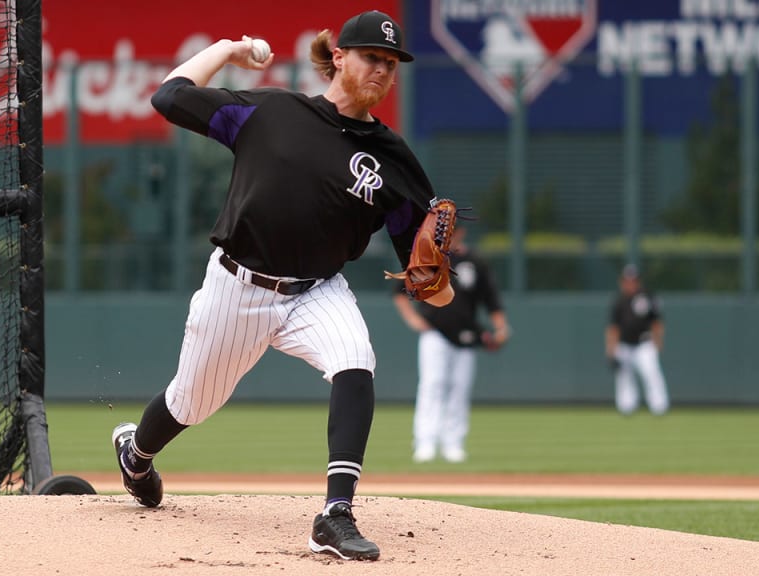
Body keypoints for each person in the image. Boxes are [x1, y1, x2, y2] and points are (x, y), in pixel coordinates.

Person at [110, 10, 453, 562]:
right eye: (372, 57)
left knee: (355, 360)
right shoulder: (272, 111)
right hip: (236, 286)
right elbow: (169, 97)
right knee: (190, 402)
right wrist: (225, 47)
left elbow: (430, 284)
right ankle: (137, 453)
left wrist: (438, 284)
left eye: (391, 64)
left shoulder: (394, 162)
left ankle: (335, 515)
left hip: (317, 290)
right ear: (339, 57)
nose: (382, 71)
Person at [393, 226, 509, 463]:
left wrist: (501, 328)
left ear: (462, 232)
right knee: (432, 385)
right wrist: (413, 319)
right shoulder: (427, 257)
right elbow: (400, 290)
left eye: (454, 230)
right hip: (435, 332)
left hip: (466, 335)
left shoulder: (474, 261)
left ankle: (453, 443)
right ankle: (425, 442)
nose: (450, 234)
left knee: (459, 388)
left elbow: (491, 300)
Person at [605, 264, 669, 416]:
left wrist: (658, 342)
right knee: (624, 377)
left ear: (638, 281)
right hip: (624, 345)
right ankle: (626, 406)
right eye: (627, 280)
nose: (630, 283)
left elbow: (656, 321)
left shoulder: (647, 297)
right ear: (622, 282)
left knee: (652, 373)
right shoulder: (619, 301)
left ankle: (659, 406)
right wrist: (611, 350)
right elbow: (613, 328)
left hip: (644, 344)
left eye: (633, 280)